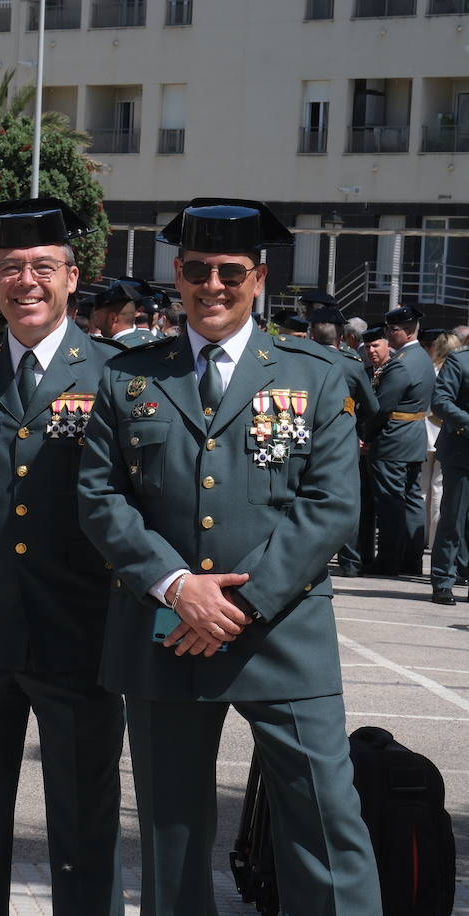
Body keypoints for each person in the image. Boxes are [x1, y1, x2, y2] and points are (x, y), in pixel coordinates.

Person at [78, 198, 380, 915]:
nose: (212, 286)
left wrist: (238, 603)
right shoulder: (130, 377)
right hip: (166, 632)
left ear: (259, 277)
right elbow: (99, 498)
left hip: (282, 632)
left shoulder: (314, 374)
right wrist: (178, 586)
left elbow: (331, 506)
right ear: (177, 276)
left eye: (230, 272)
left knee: (326, 825)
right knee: (171, 834)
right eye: (196, 270)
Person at [0, 197, 125, 915]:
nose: (26, 282)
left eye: (42, 266)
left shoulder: (114, 373)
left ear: (72, 277)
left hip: (81, 634)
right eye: (10, 268)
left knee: (83, 828)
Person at [309, 307, 380, 577]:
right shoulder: (351, 365)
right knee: (346, 498)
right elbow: (373, 407)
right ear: (340, 338)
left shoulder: (302, 361)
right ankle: (350, 561)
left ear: (311, 337)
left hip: (303, 437)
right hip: (342, 438)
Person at [365, 306, 435, 575]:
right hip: (413, 435)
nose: (388, 334)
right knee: (411, 499)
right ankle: (411, 560)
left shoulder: (402, 362)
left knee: (391, 502)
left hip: (393, 439)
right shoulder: (421, 357)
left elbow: (382, 407)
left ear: (407, 331)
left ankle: (389, 560)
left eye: (392, 330)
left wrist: (366, 435)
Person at [429, 339, 469, 604]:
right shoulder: (460, 361)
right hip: (462, 451)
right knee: (454, 518)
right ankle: (444, 579)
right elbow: (440, 401)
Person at [90, 276, 158, 347]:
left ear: (112, 318)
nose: (97, 324)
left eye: (97, 317)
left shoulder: (110, 350)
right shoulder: (154, 345)